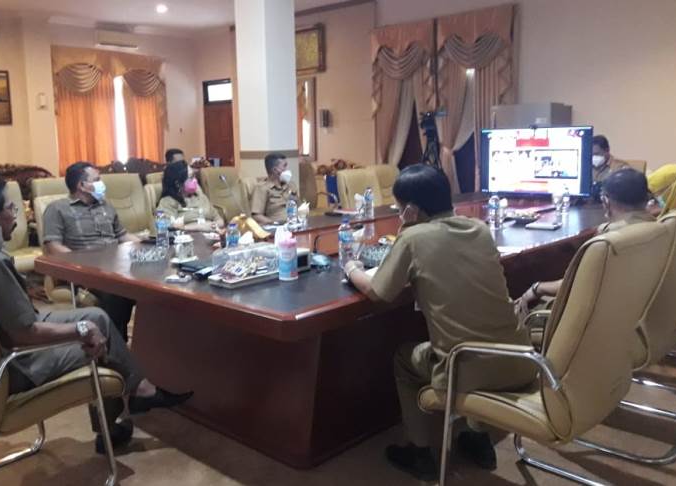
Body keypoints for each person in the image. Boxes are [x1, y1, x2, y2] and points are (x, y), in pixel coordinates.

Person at [0, 175, 193, 453]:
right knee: (100, 342)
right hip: (19, 362)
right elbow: (23, 333)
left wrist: (87, 324)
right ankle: (119, 419)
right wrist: (81, 330)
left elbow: (18, 321)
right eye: (11, 208)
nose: (15, 215)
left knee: (97, 317)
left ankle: (138, 391)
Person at [343, 164, 535, 481]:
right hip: (521, 359)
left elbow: (378, 292)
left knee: (404, 359)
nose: (398, 213)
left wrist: (351, 268)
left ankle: (419, 452)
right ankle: (477, 437)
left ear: (411, 210)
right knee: (475, 334)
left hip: (467, 370)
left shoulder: (413, 238)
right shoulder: (479, 229)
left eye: (399, 208)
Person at [516, 168, 654, 317]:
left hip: (592, 316)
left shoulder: (607, 239)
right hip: (634, 314)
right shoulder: (658, 227)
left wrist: (537, 288)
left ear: (606, 201)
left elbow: (574, 285)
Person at [42, 162, 139, 341]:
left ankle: (141, 345)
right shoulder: (57, 209)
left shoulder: (105, 206)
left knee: (149, 291)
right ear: (82, 185)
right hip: (88, 273)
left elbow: (122, 235)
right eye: (97, 180)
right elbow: (53, 247)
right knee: (117, 293)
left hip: (118, 265)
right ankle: (114, 345)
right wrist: (82, 265)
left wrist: (146, 244)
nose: (102, 184)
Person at [157, 161, 224, 232]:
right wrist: (198, 227)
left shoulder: (201, 196)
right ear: (177, 183)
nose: (195, 180)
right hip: (187, 237)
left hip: (212, 235)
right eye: (191, 177)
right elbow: (168, 226)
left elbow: (220, 221)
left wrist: (212, 226)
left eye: (194, 176)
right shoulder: (168, 201)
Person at [251, 152, 298, 224]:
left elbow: (300, 207)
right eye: (284, 166)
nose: (287, 169)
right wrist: (274, 223)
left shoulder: (290, 185)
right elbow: (256, 216)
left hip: (295, 224)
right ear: (275, 170)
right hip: (276, 227)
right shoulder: (262, 188)